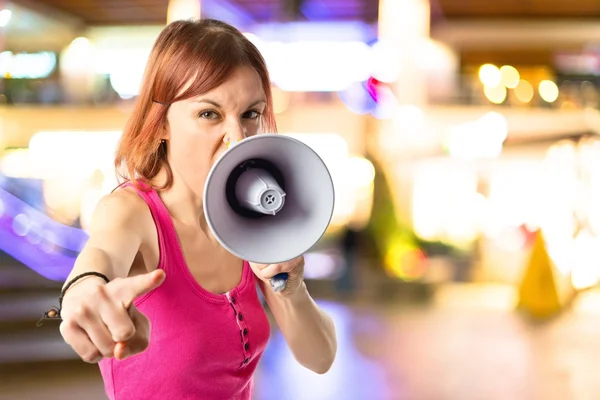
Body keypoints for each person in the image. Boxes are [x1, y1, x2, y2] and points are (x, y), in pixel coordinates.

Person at [54, 18, 337, 400]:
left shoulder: (250, 225)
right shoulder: (131, 212)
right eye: (209, 114)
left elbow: (320, 358)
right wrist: (84, 290)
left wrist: (291, 287)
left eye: (250, 114)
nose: (236, 137)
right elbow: (101, 255)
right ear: (162, 123)